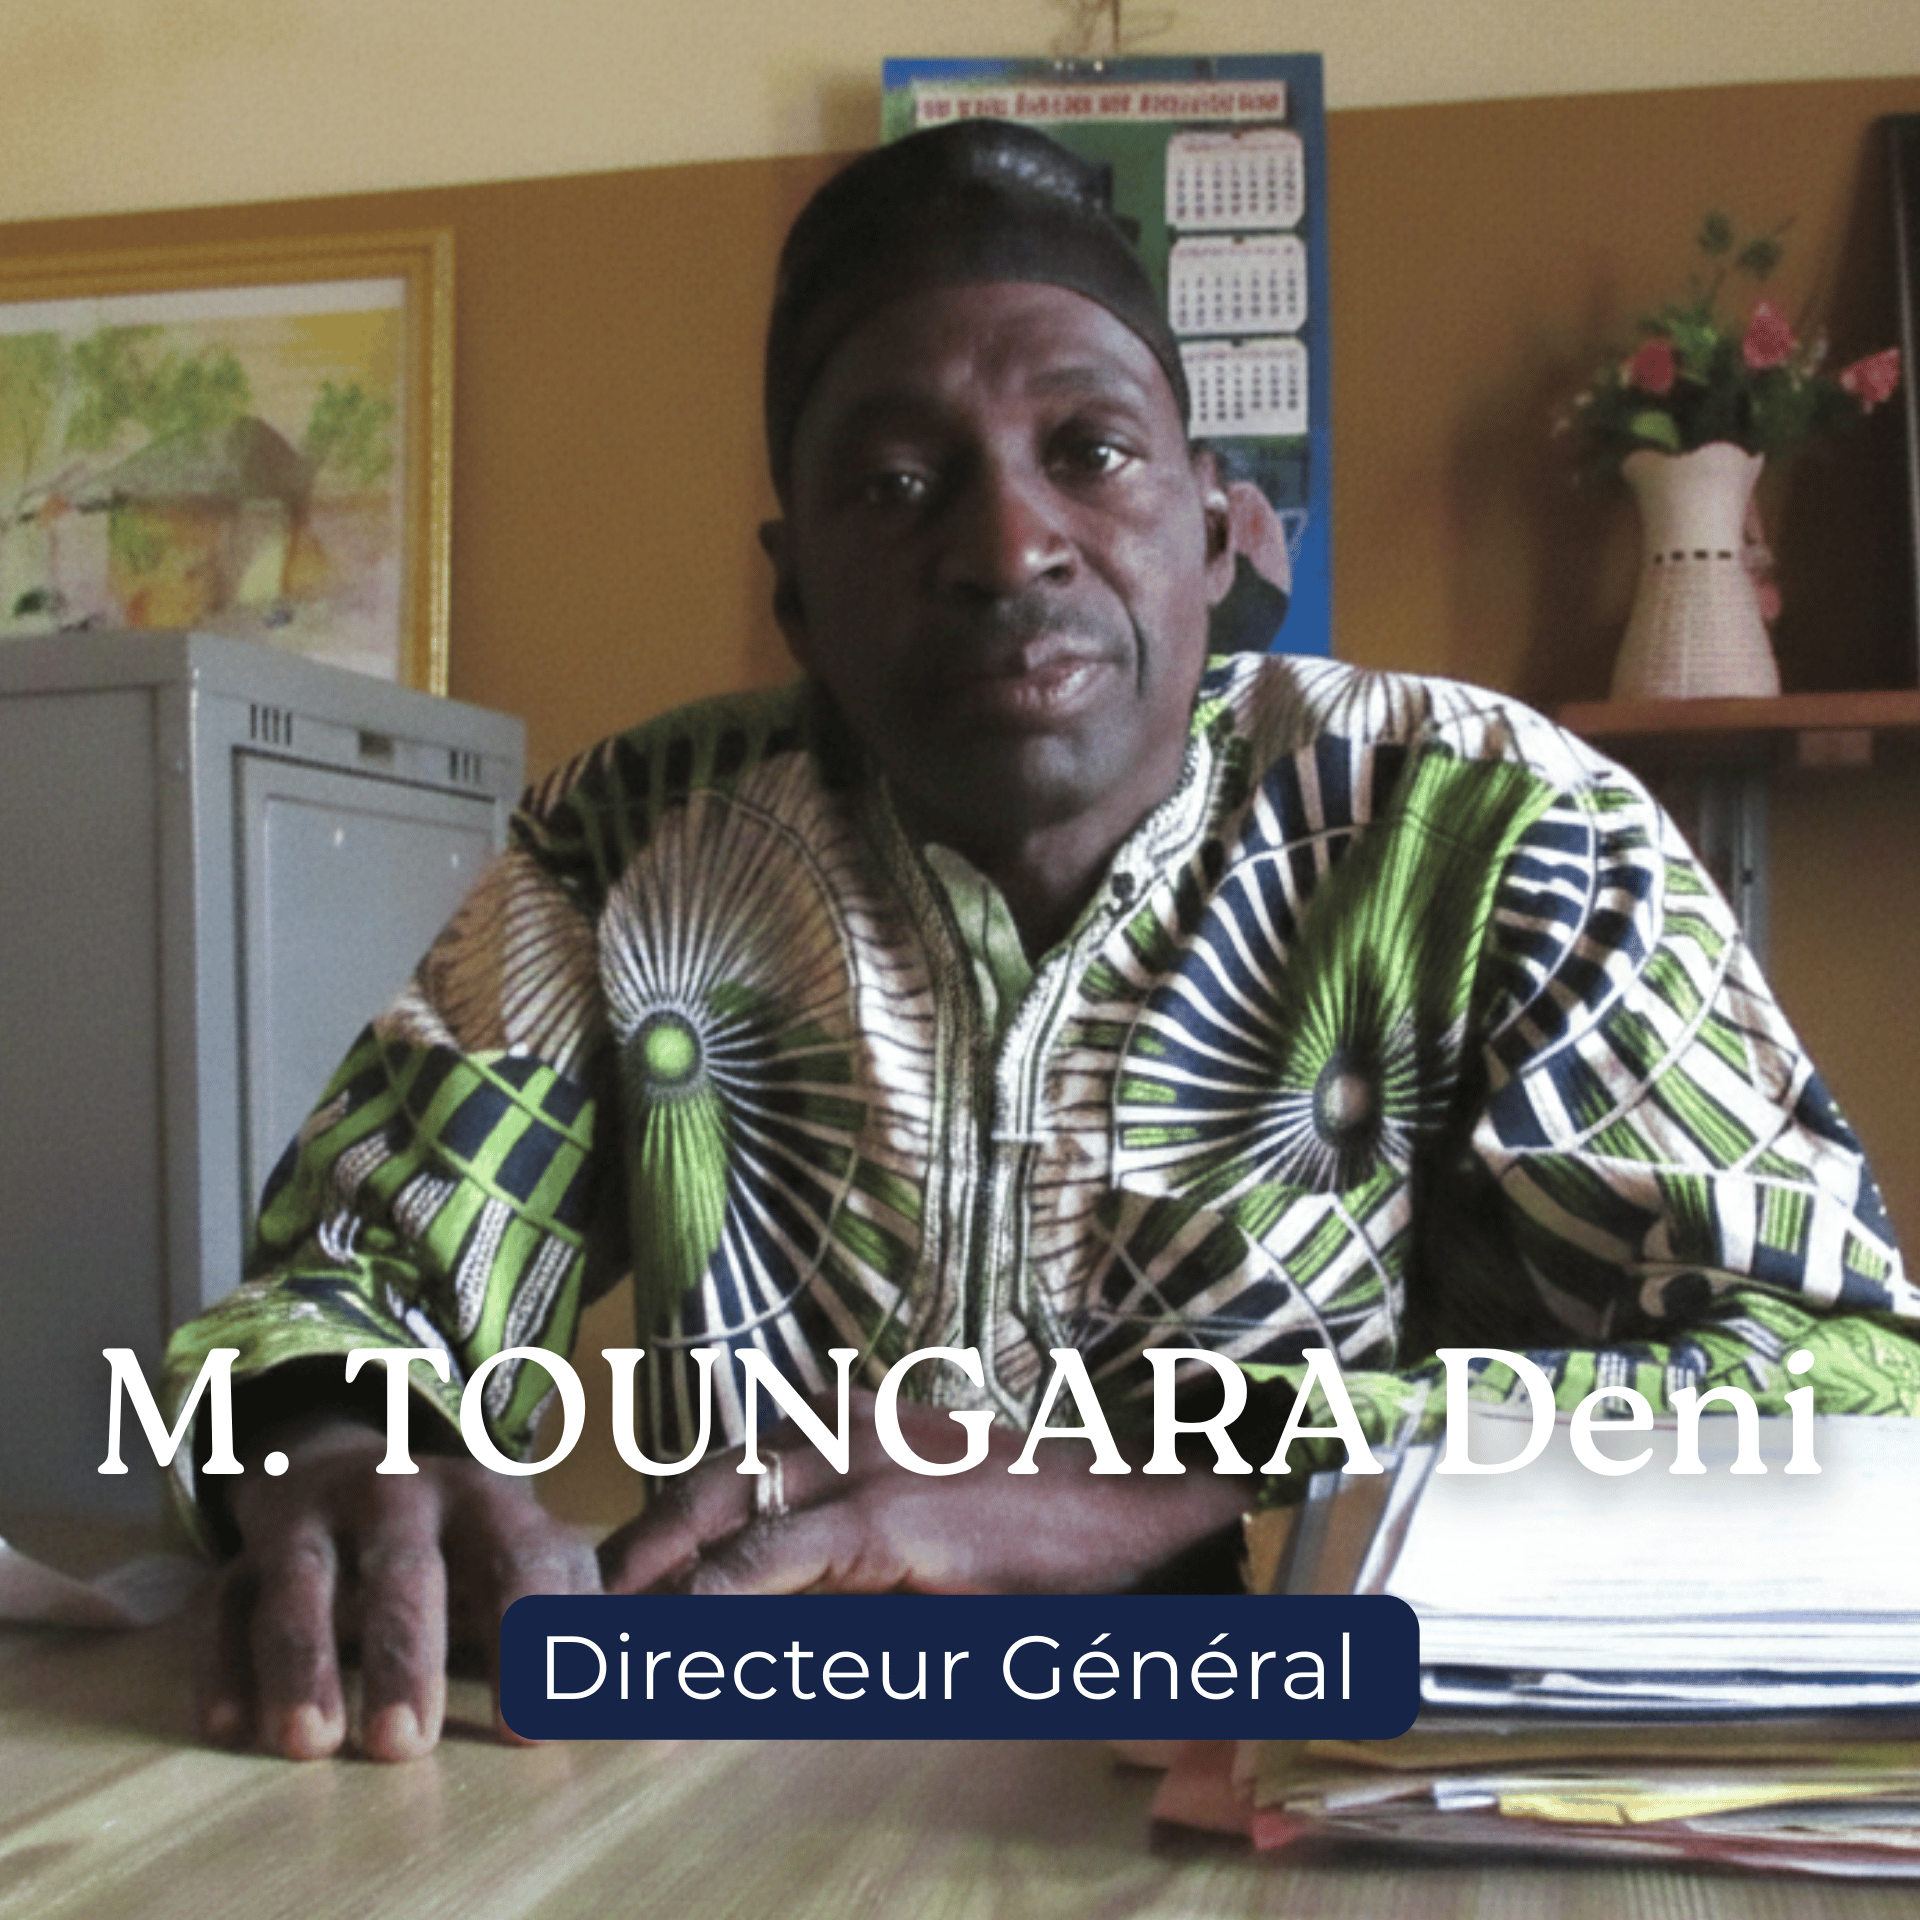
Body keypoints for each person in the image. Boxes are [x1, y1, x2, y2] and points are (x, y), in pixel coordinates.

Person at [164, 120, 1920, 1764]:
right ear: (793, 593)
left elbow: (1849, 1392)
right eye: (894, 483)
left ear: (1215, 527)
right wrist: (330, 1436)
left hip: (1335, 1779)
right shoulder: (633, 847)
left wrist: (1175, 1490)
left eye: (1089, 452)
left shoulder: (1494, 830)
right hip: (753, 1782)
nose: (1006, 547)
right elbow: (336, 1289)